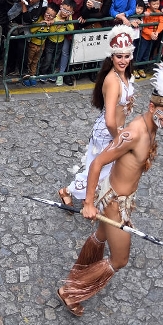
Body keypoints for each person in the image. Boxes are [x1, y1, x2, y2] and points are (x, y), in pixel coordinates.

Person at [59, 57, 163, 316]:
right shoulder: (134, 133)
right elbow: (98, 162)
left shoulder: (158, 120)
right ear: (151, 105)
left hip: (121, 198)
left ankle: (77, 275)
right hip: (113, 203)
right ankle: (70, 292)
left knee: (100, 238)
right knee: (120, 260)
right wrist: (88, 202)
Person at [59, 25, 135, 205]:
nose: (123, 61)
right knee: (98, 169)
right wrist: (120, 139)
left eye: (126, 56)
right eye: (119, 56)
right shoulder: (113, 81)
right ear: (112, 56)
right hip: (107, 132)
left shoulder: (124, 74)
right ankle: (67, 191)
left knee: (106, 169)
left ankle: (96, 198)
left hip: (115, 130)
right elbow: (109, 120)